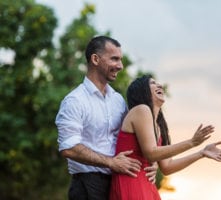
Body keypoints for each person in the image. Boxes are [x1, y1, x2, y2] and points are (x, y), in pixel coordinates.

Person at [55, 36, 158, 200]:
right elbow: (69, 147)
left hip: (120, 182)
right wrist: (111, 162)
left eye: (121, 60)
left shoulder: (118, 100)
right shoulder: (74, 101)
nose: (120, 66)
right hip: (88, 186)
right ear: (95, 59)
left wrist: (153, 163)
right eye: (114, 59)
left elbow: (133, 137)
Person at [109, 75, 221, 200]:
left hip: (146, 184)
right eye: (152, 83)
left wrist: (201, 153)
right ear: (141, 91)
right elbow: (151, 153)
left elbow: (167, 167)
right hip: (131, 182)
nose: (159, 85)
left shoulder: (157, 125)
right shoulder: (141, 110)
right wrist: (191, 142)